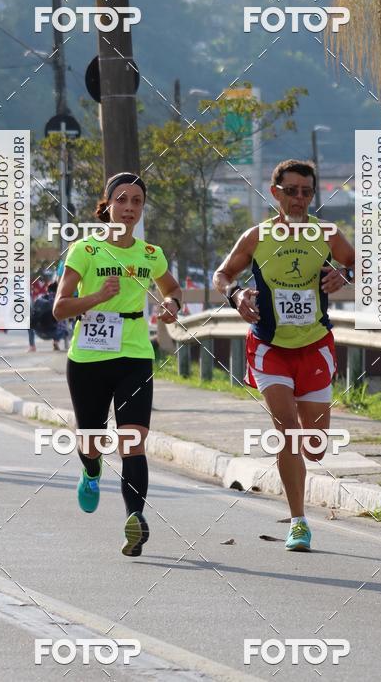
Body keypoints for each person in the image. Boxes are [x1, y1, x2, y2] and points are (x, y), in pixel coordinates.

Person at [213, 159, 355, 552]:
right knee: (287, 430)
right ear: (275, 193)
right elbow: (221, 275)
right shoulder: (257, 237)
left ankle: (306, 468)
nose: (298, 199)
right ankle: (298, 522)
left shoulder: (327, 234)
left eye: (306, 192)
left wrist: (345, 275)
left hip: (314, 347)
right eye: (290, 191)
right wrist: (236, 294)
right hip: (269, 347)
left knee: (315, 445)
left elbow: (362, 262)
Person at [53, 172, 182, 557]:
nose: (129, 208)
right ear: (107, 205)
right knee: (91, 442)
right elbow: (60, 307)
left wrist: (171, 305)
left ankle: (134, 520)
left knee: (132, 441)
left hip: (135, 356)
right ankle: (91, 470)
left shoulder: (150, 254)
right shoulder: (85, 250)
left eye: (136, 201)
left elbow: (172, 288)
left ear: (142, 208)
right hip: (89, 358)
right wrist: (96, 296)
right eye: (121, 200)